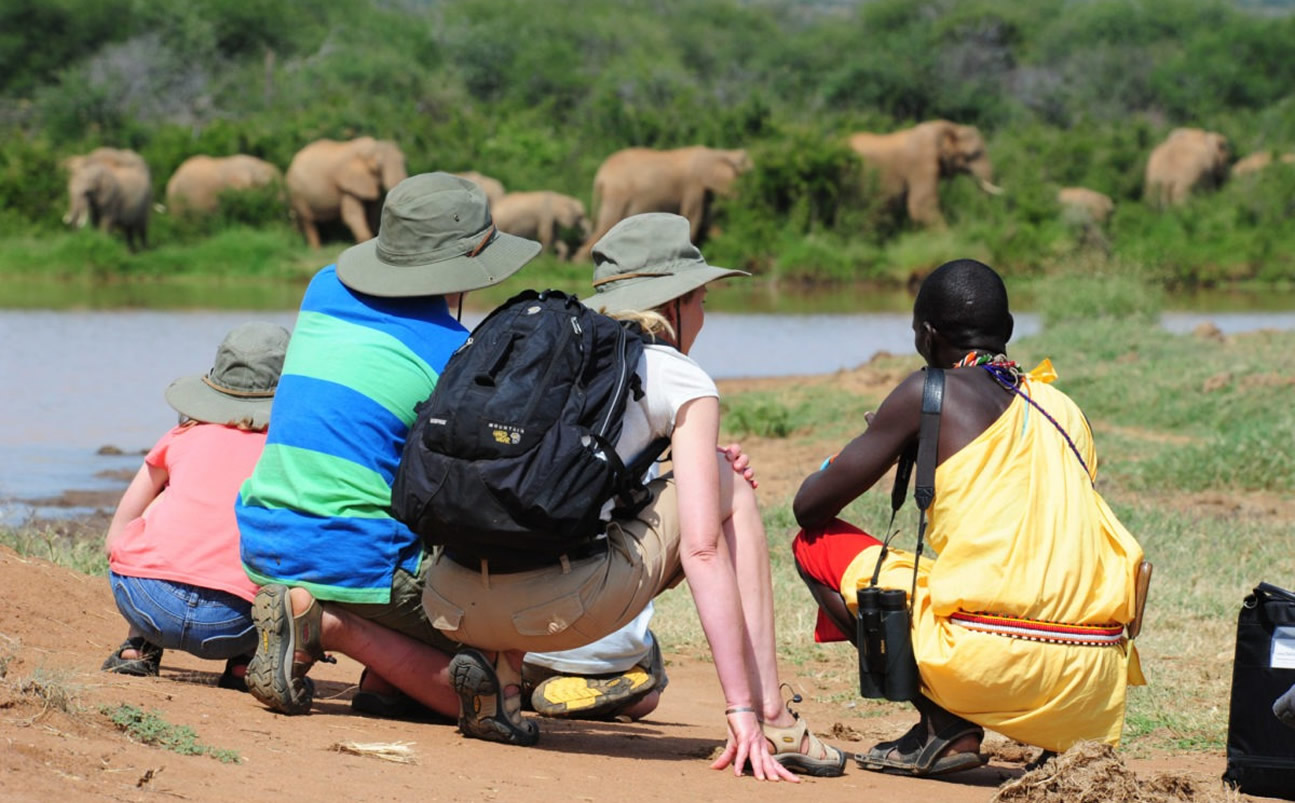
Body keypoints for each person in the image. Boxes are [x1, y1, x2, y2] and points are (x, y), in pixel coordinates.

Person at [421, 212, 846, 781]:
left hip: (450, 602)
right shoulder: (678, 375)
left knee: (535, 505)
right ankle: (771, 717)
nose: (703, 316)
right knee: (731, 485)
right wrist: (738, 711)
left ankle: (501, 675)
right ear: (676, 303)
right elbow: (701, 550)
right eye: (701, 300)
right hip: (558, 612)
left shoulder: (549, 352)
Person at [791, 258, 1146, 777]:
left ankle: (945, 725)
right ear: (1008, 330)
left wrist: (881, 440)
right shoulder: (1065, 409)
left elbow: (810, 507)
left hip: (985, 667)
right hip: (1090, 682)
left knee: (815, 545)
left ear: (928, 335)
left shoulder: (927, 392)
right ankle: (1062, 743)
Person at [234, 172, 542, 719]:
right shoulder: (456, 353)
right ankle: (331, 627)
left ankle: (374, 671)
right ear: (470, 261)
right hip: (357, 555)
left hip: (266, 539)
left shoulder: (323, 287)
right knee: (499, 678)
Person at [102, 321, 291, 691]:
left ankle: (137, 648)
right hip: (235, 624)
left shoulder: (181, 435)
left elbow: (117, 535)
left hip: (145, 603)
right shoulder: (285, 453)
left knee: (163, 505)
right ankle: (244, 662)